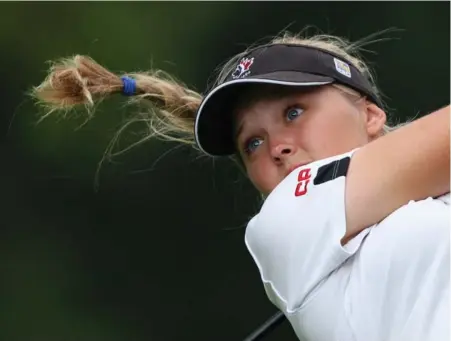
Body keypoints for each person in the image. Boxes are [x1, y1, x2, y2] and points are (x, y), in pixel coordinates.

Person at [31, 31, 450, 341]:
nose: (277, 148)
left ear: (371, 114)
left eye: (293, 112)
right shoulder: (288, 219)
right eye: (253, 143)